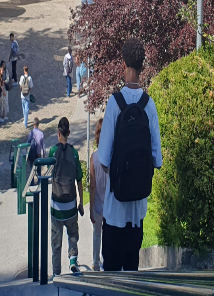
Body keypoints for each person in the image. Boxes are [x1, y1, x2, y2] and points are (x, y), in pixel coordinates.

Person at [97, 38, 162, 272]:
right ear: (142, 66)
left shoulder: (115, 104)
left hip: (115, 210)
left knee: (112, 274)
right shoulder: (149, 105)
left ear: (124, 64)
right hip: (137, 212)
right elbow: (157, 159)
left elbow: (103, 159)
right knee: (132, 274)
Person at [46, 117, 85, 277]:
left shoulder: (53, 152)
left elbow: (48, 173)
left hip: (56, 206)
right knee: (73, 234)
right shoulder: (74, 153)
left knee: (56, 240)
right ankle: (73, 261)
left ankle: (56, 272)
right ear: (69, 132)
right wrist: (81, 202)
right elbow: (80, 180)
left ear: (58, 133)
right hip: (71, 205)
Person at [89, 118, 106, 271]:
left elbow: (92, 185)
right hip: (111, 205)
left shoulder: (93, 157)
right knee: (108, 235)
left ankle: (95, 262)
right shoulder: (112, 157)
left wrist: (90, 207)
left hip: (98, 204)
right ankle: (106, 259)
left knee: (97, 234)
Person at [19, 65, 34, 129]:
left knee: (23, 107)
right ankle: (26, 121)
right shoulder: (30, 78)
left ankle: (25, 120)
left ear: (24, 70)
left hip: (22, 95)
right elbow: (31, 87)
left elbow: (20, 85)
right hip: (27, 95)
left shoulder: (22, 77)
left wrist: (22, 90)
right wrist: (28, 91)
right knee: (27, 109)